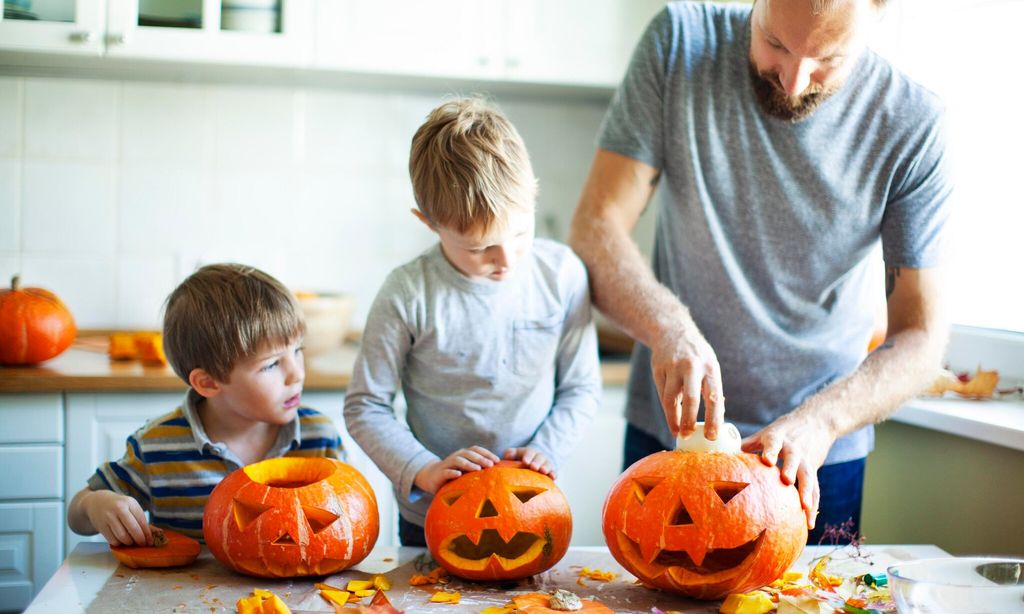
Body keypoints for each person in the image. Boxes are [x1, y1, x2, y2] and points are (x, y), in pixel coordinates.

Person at [568, 0, 951, 544]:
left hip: (817, 457)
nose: (794, 82)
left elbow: (921, 336)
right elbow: (595, 226)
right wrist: (667, 325)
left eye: (827, 60)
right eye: (775, 44)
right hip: (670, 440)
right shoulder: (680, 43)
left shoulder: (914, 126)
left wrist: (819, 423)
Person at [344, 97, 602, 547]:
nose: (506, 260)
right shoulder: (407, 293)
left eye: (521, 233)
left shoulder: (562, 275)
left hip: (531, 505)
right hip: (430, 514)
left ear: (533, 194)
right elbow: (365, 406)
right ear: (428, 223)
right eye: (480, 248)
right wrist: (423, 469)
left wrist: (548, 449)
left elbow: (581, 387)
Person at [67, 264, 343, 545]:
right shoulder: (157, 446)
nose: (297, 373)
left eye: (298, 351)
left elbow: (346, 521)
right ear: (208, 383)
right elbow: (77, 515)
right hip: (182, 589)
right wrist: (96, 505)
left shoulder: (319, 437)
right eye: (271, 364)